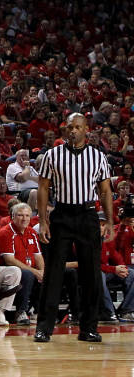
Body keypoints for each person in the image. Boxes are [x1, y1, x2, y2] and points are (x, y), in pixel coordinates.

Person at [35, 112, 113, 342]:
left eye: (78, 127)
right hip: (62, 214)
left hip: (88, 215)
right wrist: (42, 220)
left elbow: (106, 191)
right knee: (53, 273)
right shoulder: (52, 155)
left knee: (91, 273)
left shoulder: (97, 156)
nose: (73, 131)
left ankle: (89, 327)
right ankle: (44, 328)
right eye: (70, 127)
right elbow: (43, 188)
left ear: (86, 130)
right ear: (65, 129)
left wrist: (108, 220)